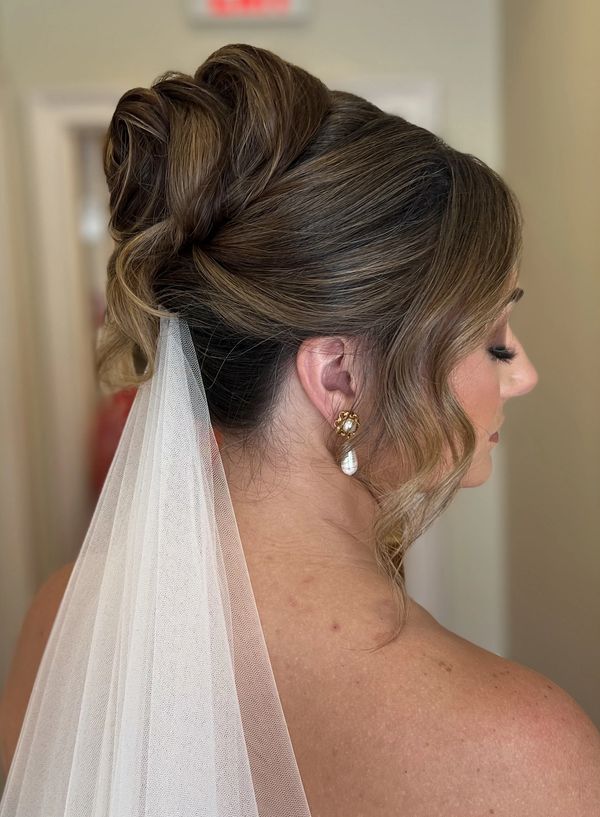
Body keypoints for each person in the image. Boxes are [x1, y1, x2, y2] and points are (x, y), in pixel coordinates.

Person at [2, 42, 600, 816]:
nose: (522, 374)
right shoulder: (525, 752)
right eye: (492, 341)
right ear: (339, 375)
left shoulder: (62, 616)